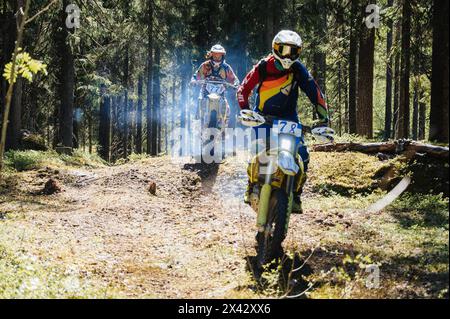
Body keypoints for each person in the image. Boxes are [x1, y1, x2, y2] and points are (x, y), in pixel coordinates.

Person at [237, 30, 330, 214]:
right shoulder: (263, 67)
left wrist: (324, 118)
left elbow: (314, 91)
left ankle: (295, 195)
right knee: (257, 151)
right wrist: (246, 110)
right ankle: (251, 185)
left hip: (288, 119)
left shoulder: (298, 69)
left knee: (302, 154)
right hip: (262, 117)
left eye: (292, 51)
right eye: (283, 49)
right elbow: (243, 89)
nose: (287, 55)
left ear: (298, 52)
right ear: (275, 48)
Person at [191, 45, 240, 122]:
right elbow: (197, 75)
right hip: (206, 89)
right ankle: (197, 120)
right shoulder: (205, 65)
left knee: (227, 106)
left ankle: (225, 122)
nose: (217, 57)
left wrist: (236, 85)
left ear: (222, 56)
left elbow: (233, 78)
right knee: (199, 99)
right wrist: (193, 81)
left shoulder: (226, 67)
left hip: (220, 91)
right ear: (211, 55)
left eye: (219, 55)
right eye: (215, 55)